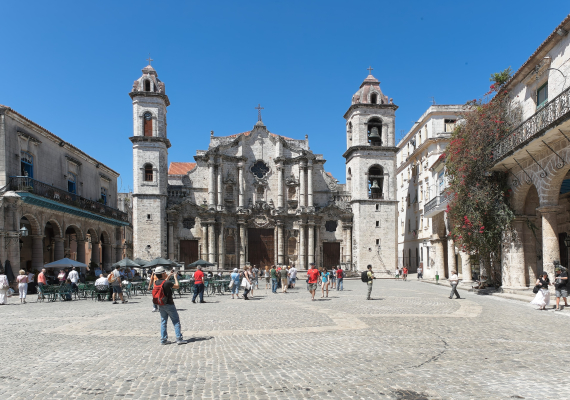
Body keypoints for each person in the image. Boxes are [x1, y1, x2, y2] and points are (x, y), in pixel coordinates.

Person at [152, 266, 187, 345]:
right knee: (176, 321)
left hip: (161, 304)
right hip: (169, 304)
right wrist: (175, 277)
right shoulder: (167, 283)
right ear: (163, 273)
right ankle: (179, 338)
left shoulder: (156, 283)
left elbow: (163, 283)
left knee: (163, 322)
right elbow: (177, 286)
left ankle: (163, 339)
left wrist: (170, 275)